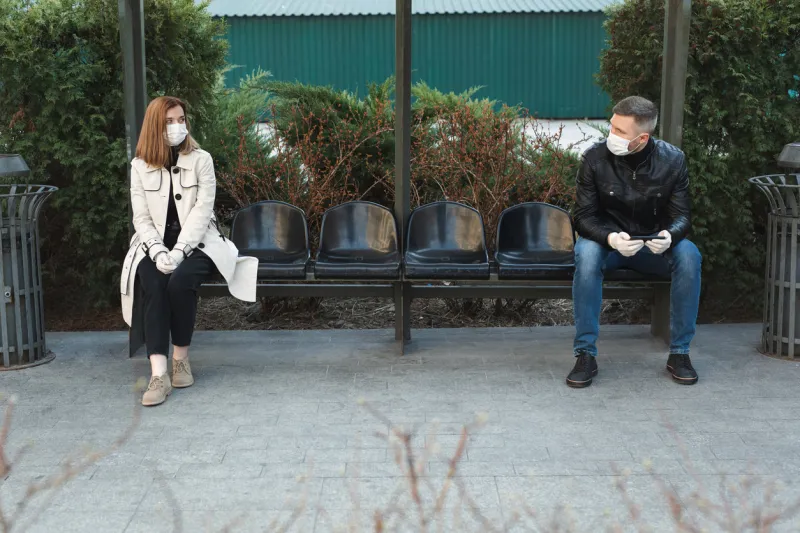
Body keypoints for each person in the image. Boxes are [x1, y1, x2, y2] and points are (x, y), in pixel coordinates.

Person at [120, 96, 258, 406]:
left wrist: (179, 252)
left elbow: (201, 211)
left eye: (181, 119)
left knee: (180, 282)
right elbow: (140, 216)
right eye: (169, 121)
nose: (177, 126)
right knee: (153, 284)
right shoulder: (140, 166)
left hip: (199, 243)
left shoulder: (201, 159)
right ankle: (158, 374)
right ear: (156, 125)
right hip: (152, 244)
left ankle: (180, 358)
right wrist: (157, 252)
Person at [567, 96, 702, 388]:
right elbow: (583, 217)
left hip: (652, 247)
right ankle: (585, 355)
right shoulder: (594, 159)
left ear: (642, 137)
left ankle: (680, 353)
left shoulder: (673, 159)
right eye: (612, 126)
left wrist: (669, 236)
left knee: (689, 254)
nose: (611, 135)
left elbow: (682, 216)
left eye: (619, 131)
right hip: (608, 245)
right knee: (586, 255)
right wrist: (611, 238)